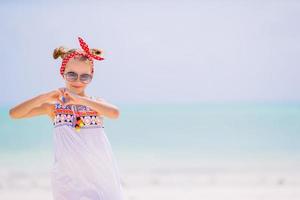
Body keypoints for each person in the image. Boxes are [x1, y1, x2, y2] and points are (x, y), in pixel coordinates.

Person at [9, 37, 124, 200]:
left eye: (84, 77)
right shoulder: (54, 107)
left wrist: (80, 100)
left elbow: (115, 113)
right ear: (63, 73)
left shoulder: (95, 104)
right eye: (72, 75)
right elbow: (14, 114)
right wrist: (44, 97)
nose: (78, 81)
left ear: (91, 77)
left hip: (100, 177)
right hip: (68, 182)